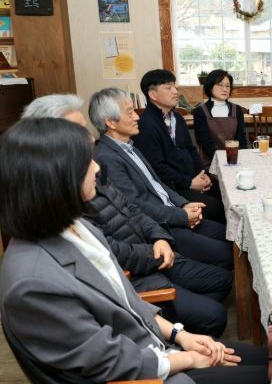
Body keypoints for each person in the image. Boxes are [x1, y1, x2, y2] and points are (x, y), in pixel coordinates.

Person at [0, 118, 268, 383]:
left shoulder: (77, 227)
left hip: (156, 347)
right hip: (147, 373)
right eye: (86, 161)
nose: (97, 167)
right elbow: (110, 362)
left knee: (269, 357)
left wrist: (181, 335)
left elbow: (127, 302)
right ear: (54, 177)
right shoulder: (33, 283)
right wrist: (187, 359)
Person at [22, 94, 232, 337]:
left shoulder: (94, 168)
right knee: (215, 312)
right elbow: (108, 251)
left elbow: (133, 207)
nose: (91, 138)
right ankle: (166, 329)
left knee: (222, 279)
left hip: (152, 248)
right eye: (79, 131)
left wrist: (160, 237)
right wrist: (157, 249)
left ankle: (176, 322)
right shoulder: (67, 193)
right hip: (138, 271)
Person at [90, 87, 232, 270]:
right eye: (130, 112)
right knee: (229, 256)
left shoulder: (130, 146)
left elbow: (158, 184)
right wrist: (181, 216)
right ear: (111, 122)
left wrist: (184, 204)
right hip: (163, 227)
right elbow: (135, 205)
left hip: (174, 213)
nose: (137, 117)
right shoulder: (107, 157)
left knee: (233, 237)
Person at [133, 69, 226, 225]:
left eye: (175, 86)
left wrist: (203, 174)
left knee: (226, 191)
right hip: (173, 187)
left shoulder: (177, 117)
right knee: (217, 208)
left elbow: (191, 149)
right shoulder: (146, 125)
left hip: (193, 178)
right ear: (153, 94)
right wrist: (190, 183)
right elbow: (157, 168)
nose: (176, 91)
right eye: (168, 87)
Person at [193, 69, 247, 162]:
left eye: (227, 86)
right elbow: (206, 143)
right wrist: (222, 162)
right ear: (210, 87)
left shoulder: (237, 109)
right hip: (211, 161)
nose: (225, 89)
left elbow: (241, 140)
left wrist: (240, 160)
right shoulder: (200, 111)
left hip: (235, 159)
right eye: (220, 85)